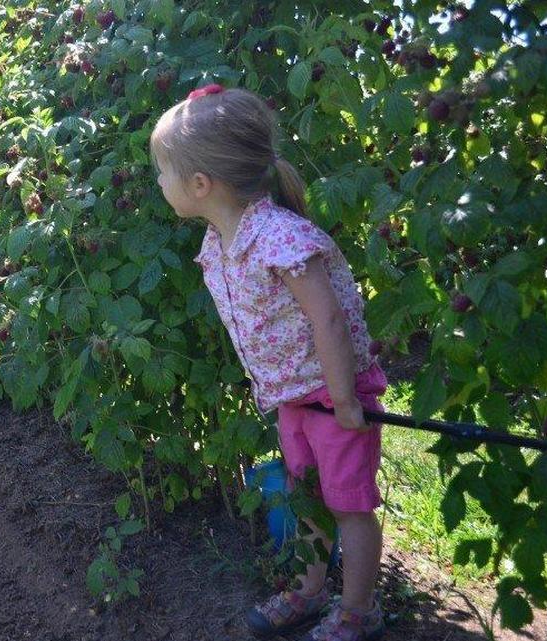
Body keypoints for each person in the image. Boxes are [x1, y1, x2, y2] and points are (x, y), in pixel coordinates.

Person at [149, 84, 387, 641]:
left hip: (332, 398)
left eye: (163, 172)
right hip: (292, 398)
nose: (159, 183)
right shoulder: (221, 241)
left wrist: (347, 400)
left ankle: (359, 612)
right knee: (305, 495)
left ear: (200, 184)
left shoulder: (279, 235)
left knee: (349, 507)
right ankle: (309, 592)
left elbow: (327, 319)